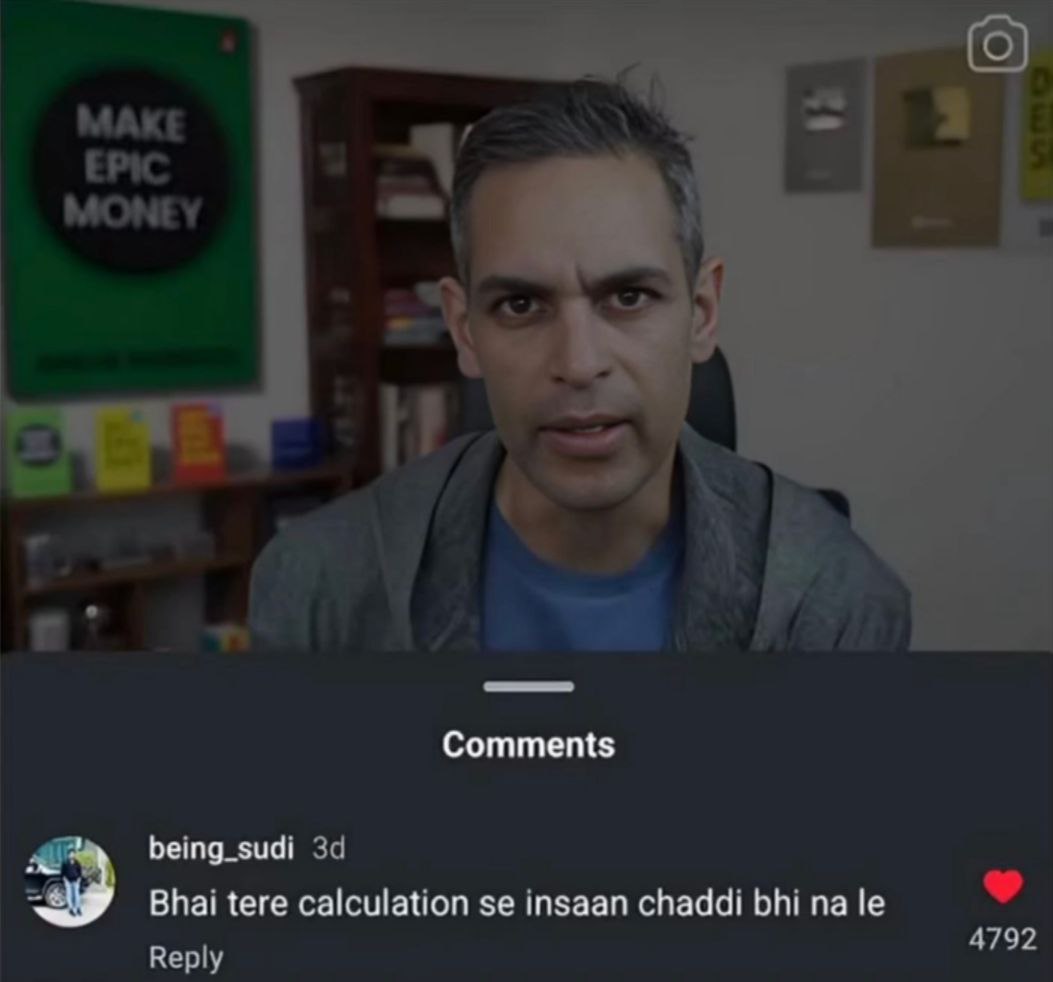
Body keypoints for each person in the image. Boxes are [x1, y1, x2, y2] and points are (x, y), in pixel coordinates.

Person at [249, 74, 910, 652]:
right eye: (519, 304)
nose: (579, 363)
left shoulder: (834, 602)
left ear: (702, 313)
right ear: (464, 330)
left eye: (628, 297)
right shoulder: (320, 587)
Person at [61, 849, 83, 918]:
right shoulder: (65, 862)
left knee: (77, 895)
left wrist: (79, 879)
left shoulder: (77, 862)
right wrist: (65, 880)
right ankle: (70, 909)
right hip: (68, 881)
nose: (72, 855)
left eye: (73, 854)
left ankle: (78, 908)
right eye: (70, 854)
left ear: (74, 855)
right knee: (69, 895)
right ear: (68, 855)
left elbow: (80, 872)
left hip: (76, 881)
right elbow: (62, 873)